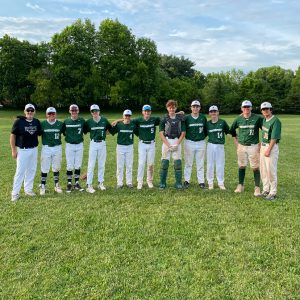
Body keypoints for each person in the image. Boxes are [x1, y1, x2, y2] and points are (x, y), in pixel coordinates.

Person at [230, 100, 263, 196]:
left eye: (248, 107)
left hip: (253, 146)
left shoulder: (257, 118)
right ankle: (240, 185)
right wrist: (236, 141)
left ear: (251, 108)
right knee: (241, 165)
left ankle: (257, 187)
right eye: (244, 107)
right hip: (242, 146)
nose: (246, 108)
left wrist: (261, 143)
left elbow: (264, 130)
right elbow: (232, 130)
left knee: (255, 167)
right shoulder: (238, 119)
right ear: (241, 108)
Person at [10, 103, 41, 201]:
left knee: (31, 170)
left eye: (32, 110)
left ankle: (28, 189)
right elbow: (12, 136)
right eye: (28, 110)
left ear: (34, 112)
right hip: (23, 150)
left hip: (34, 149)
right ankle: (15, 193)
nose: (30, 112)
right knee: (20, 172)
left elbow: (40, 133)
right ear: (25, 111)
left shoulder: (36, 122)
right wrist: (13, 150)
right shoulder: (19, 122)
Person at [85, 104, 112, 193]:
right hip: (93, 143)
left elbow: (109, 129)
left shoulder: (104, 120)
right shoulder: (89, 122)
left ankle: (101, 183)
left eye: (96, 111)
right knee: (91, 165)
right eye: (93, 111)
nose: (95, 112)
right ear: (91, 112)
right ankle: (89, 185)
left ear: (99, 111)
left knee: (101, 164)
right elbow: (85, 130)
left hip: (102, 143)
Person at [159, 99, 186, 189]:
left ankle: (178, 183)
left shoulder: (180, 118)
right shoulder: (164, 118)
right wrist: (167, 144)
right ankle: (162, 183)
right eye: (170, 108)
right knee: (164, 162)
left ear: (176, 108)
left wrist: (177, 144)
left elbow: (183, 132)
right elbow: (161, 133)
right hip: (167, 141)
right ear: (167, 108)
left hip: (176, 141)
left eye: (173, 108)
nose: (172, 109)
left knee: (177, 162)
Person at [133, 104, 160, 190]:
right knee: (141, 163)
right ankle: (140, 181)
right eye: (145, 111)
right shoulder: (138, 120)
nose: (147, 112)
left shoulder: (154, 119)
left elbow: (167, 117)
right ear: (142, 112)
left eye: (148, 111)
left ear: (150, 112)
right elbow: (127, 120)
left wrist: (178, 113)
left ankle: (149, 181)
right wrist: (117, 120)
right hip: (142, 144)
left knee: (150, 164)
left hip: (151, 144)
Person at [260, 102, 281, 200]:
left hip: (271, 147)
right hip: (263, 146)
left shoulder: (275, 121)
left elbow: (274, 138)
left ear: (271, 109)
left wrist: (268, 150)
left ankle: (273, 192)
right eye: (263, 109)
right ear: (261, 111)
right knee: (263, 170)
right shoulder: (264, 119)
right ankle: (266, 189)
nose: (265, 110)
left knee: (271, 170)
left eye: (267, 109)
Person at [62, 104, 86, 193]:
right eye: (72, 110)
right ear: (69, 111)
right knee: (69, 165)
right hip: (69, 145)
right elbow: (63, 132)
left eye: (75, 110)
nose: (74, 112)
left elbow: (86, 129)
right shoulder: (66, 121)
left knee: (78, 165)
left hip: (79, 144)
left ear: (78, 111)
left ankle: (76, 183)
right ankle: (69, 183)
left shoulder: (82, 121)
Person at [183, 100, 207, 188]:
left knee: (200, 163)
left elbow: (205, 130)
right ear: (191, 108)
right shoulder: (187, 118)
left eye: (197, 106)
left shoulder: (203, 117)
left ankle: (201, 181)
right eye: (194, 106)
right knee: (188, 163)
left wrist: (201, 137)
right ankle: (186, 180)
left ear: (199, 108)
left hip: (200, 142)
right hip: (189, 142)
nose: (195, 108)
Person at [39, 107, 63, 195]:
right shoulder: (43, 124)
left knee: (56, 167)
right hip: (46, 148)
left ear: (55, 114)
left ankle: (56, 185)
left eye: (53, 113)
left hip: (57, 147)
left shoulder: (60, 124)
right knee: (44, 167)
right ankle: (42, 185)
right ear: (46, 114)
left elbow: (66, 132)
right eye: (49, 113)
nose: (51, 115)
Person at [110, 109, 137, 188]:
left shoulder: (133, 125)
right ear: (123, 116)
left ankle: (129, 182)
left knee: (129, 165)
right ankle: (120, 183)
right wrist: (114, 122)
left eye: (129, 116)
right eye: (126, 115)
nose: (127, 117)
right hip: (120, 147)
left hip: (130, 147)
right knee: (120, 165)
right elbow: (110, 132)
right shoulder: (119, 125)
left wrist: (118, 120)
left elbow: (138, 131)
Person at [206, 105, 230, 190]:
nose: (213, 113)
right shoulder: (207, 124)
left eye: (215, 111)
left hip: (220, 145)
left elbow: (229, 131)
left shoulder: (222, 122)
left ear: (218, 112)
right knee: (210, 164)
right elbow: (204, 134)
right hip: (210, 145)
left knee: (220, 164)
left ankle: (220, 182)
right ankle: (210, 182)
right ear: (209, 113)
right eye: (212, 112)